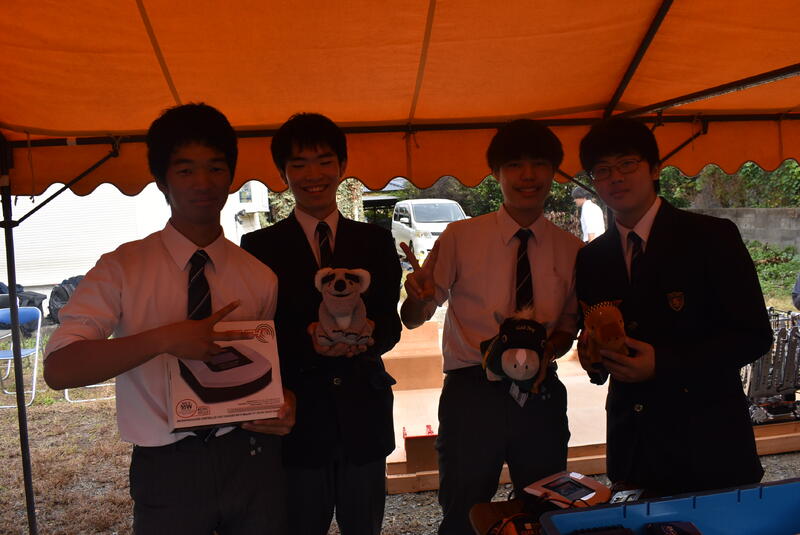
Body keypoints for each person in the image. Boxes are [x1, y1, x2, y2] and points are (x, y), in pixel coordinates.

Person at [43, 103, 294, 535]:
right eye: (185, 169)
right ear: (161, 181)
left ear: (230, 177)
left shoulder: (259, 276)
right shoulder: (121, 268)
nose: (203, 182)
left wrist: (285, 402)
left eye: (215, 168)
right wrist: (163, 339)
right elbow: (59, 369)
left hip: (252, 458)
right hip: (167, 466)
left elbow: (268, 368)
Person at [401, 119, 581, 535]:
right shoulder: (460, 237)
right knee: (463, 510)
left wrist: (545, 351)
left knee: (545, 510)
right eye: (514, 165)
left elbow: (568, 329)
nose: (528, 175)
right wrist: (418, 297)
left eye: (539, 164)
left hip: (540, 394)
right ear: (496, 173)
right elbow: (412, 319)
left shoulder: (572, 249)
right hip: (472, 393)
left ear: (554, 171)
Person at [575, 117, 772, 497]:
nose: (615, 177)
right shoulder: (592, 258)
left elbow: (754, 336)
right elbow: (596, 332)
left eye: (627, 164)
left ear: (654, 169)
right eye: (602, 170)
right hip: (633, 448)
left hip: (708, 444)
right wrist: (594, 359)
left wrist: (664, 364)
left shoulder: (711, 237)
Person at [240, 113, 401, 535]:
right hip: (299, 418)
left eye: (325, 161)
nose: (313, 175)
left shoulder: (375, 240)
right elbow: (257, 331)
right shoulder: (257, 247)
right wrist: (307, 340)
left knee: (364, 526)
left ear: (342, 166)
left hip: (364, 416)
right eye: (299, 164)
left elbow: (390, 324)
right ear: (283, 174)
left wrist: (368, 337)